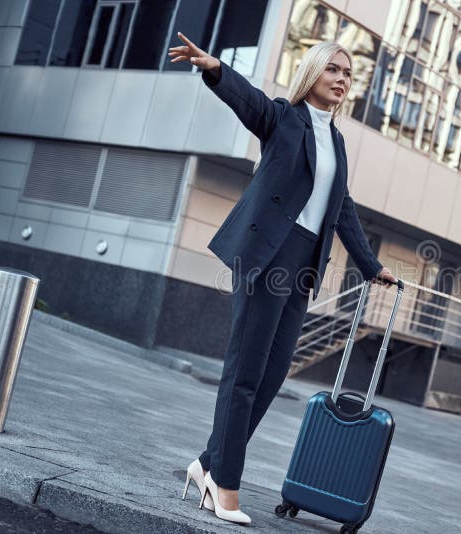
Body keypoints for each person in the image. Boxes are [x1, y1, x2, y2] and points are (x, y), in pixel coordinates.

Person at [169, 32, 397, 525]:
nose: (343, 79)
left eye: (349, 73)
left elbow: (342, 208)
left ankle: (207, 464)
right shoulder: (283, 117)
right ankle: (224, 486)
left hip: (304, 267)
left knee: (270, 379)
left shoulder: (335, 138)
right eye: (334, 69)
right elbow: (249, 103)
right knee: (244, 374)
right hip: (268, 254)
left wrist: (369, 264)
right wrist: (215, 69)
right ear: (313, 73)